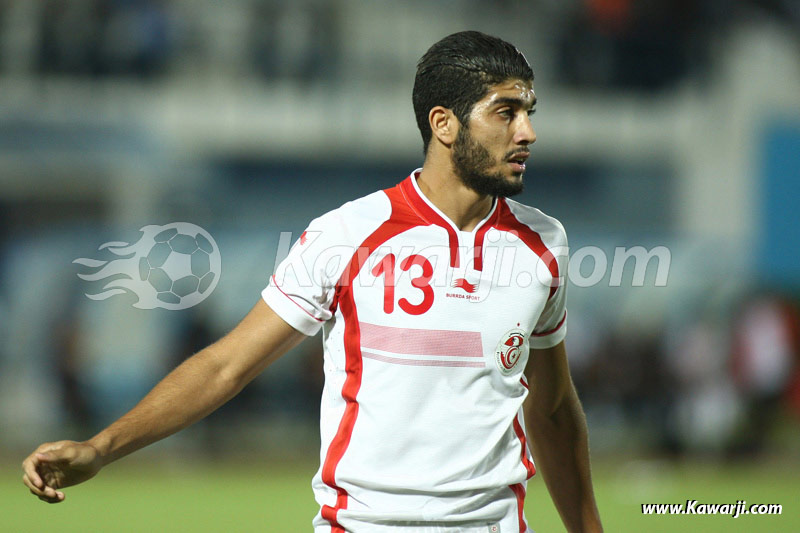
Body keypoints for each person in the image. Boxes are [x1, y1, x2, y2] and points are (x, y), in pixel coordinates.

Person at [22, 31, 603, 532]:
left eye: (529, 111)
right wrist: (101, 448)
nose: (527, 131)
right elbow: (227, 365)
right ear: (444, 124)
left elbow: (551, 407)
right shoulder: (348, 233)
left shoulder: (543, 243)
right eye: (506, 112)